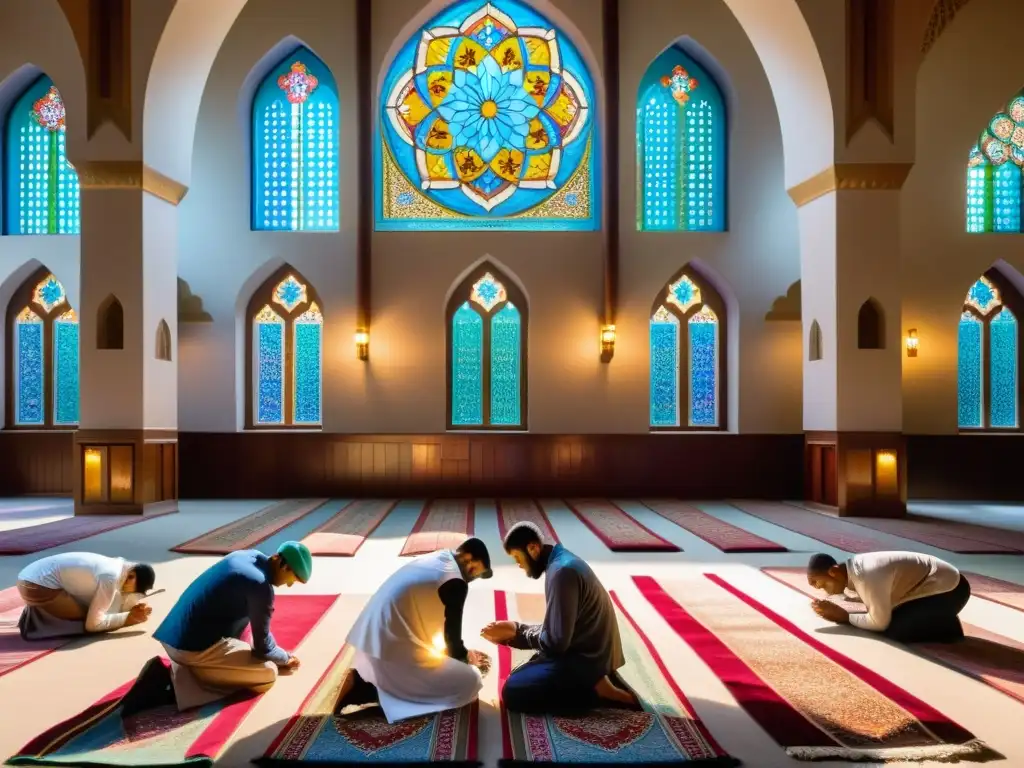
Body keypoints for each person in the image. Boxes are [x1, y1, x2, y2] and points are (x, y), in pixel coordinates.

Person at [120, 541, 313, 716]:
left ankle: (190, 669)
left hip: (174, 633)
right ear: (281, 563)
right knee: (268, 673)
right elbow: (264, 647)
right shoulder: (261, 586)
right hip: (189, 648)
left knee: (248, 638)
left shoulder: (246, 555)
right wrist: (285, 658)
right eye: (292, 578)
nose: (288, 585)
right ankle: (175, 684)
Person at [481, 522, 638, 715]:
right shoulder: (561, 562)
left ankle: (598, 692)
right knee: (520, 672)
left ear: (533, 548)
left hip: (586, 658)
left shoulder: (562, 573)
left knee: (513, 692)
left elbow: (556, 643)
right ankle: (598, 681)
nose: (519, 565)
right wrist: (516, 629)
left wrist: (518, 633)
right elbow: (558, 627)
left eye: (517, 557)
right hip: (585, 649)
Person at [336, 537, 493, 723]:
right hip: (389, 652)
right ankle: (366, 689)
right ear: (466, 557)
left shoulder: (439, 557)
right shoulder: (455, 582)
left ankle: (366, 680)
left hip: (372, 642)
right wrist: (467, 662)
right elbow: (453, 642)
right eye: (474, 571)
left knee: (437, 659)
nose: (471, 578)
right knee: (471, 682)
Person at [807, 551, 971, 643]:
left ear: (834, 571)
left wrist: (845, 617)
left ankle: (946, 623)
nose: (821, 590)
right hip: (932, 588)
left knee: (895, 632)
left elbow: (879, 623)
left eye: (818, 583)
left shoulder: (867, 575)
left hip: (951, 590)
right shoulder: (854, 570)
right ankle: (940, 618)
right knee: (893, 621)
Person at [15, 552, 156, 640]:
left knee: (99, 606)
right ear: (131, 576)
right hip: (36, 587)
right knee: (88, 617)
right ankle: (38, 626)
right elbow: (93, 624)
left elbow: (115, 597)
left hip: (28, 576)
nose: (130, 594)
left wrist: (131, 606)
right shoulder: (110, 578)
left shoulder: (118, 564)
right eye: (133, 591)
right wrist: (128, 618)